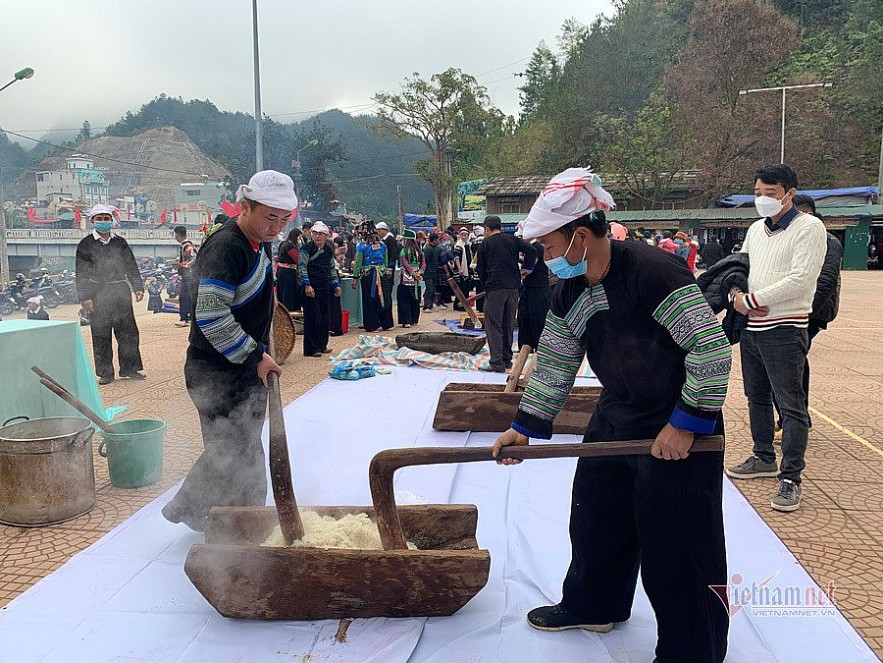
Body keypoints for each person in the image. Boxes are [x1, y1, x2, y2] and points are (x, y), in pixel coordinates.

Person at [492, 167, 731, 663]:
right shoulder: (570, 289)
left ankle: (694, 649)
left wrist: (685, 424)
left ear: (580, 235)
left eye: (550, 247)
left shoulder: (654, 273)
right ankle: (594, 602)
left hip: (675, 416)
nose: (546, 258)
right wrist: (524, 428)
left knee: (678, 542)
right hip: (617, 413)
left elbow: (710, 352)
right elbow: (556, 363)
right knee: (596, 515)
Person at [162, 170, 291, 532]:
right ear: (246, 207)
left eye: (283, 220)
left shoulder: (258, 243)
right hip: (216, 370)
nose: (276, 228)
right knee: (232, 449)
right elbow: (212, 315)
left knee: (245, 445)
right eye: (269, 217)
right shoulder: (228, 246)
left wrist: (261, 353)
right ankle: (194, 510)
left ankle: (241, 520)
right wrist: (255, 356)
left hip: (242, 366)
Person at [726, 164, 827, 512]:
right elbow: (741, 266)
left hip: (785, 329)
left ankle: (791, 477)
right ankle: (763, 456)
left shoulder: (810, 228)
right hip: (752, 330)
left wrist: (752, 301)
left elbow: (801, 278)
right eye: (758, 193)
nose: (763, 199)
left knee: (790, 404)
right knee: (756, 396)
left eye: (770, 193)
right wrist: (735, 295)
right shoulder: (756, 229)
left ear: (790, 193)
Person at [772, 194, 843, 439]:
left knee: (786, 364)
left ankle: (792, 421)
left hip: (808, 313)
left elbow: (824, 283)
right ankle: (793, 419)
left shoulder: (827, 241)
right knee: (791, 363)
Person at [75, 204, 145, 385]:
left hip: (120, 290)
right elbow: (81, 272)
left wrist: (137, 286)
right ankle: (105, 372)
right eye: (99, 219)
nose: (104, 222)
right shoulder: (85, 244)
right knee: (100, 333)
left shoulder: (120, 242)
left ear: (112, 220)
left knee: (128, 332)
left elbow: (131, 265)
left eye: (107, 218)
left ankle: (130, 369)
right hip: (98, 293)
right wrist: (85, 297)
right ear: (92, 221)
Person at [476, 215, 536, 372]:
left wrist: (486, 286)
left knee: (494, 325)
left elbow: (480, 270)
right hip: (514, 287)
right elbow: (532, 250)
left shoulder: (485, 244)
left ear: (487, 229)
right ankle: (507, 360)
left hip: (495, 288)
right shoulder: (512, 240)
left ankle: (496, 363)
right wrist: (527, 268)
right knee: (508, 324)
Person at [298, 221, 341, 357]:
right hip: (311, 286)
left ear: (326, 235)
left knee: (324, 316)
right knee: (312, 317)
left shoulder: (328, 249)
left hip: (324, 286)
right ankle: (313, 348)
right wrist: (307, 284)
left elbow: (331, 268)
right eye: (315, 233)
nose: (317, 236)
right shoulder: (306, 248)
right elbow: (302, 267)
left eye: (320, 234)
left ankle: (322, 344)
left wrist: (336, 284)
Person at [516, 226, 551, 351]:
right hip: (529, 286)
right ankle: (526, 346)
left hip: (538, 287)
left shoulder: (536, 247)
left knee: (537, 318)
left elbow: (528, 268)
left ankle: (539, 347)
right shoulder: (530, 249)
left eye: (521, 237)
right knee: (524, 317)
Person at [352, 226, 391, 332]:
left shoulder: (362, 246)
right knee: (383, 297)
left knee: (369, 300)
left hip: (368, 275)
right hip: (381, 273)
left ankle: (372, 325)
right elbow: (385, 261)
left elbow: (358, 263)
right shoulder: (383, 245)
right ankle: (386, 323)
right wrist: (385, 270)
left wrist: (355, 277)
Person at [397, 229, 425, 328]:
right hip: (417, 279)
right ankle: (414, 320)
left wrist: (412, 273)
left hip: (406, 278)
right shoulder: (419, 251)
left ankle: (406, 321)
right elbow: (423, 264)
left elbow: (405, 263)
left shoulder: (403, 251)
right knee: (415, 299)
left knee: (405, 300)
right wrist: (419, 273)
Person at [375, 221, 399, 329]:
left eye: (379, 231)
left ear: (385, 230)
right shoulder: (382, 241)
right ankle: (382, 320)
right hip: (382, 271)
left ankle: (387, 322)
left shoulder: (390, 240)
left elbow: (393, 255)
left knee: (386, 296)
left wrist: (390, 268)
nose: (378, 233)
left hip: (388, 272)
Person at [172, 225, 197, 327]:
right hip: (190, 276)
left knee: (184, 297)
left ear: (177, 235)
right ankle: (190, 317)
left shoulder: (186, 246)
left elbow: (195, 258)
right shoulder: (186, 245)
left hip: (188, 276)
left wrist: (184, 265)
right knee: (189, 297)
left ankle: (184, 319)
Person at [276, 228, 302, 312]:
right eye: (299, 238)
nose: (299, 240)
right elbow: (298, 260)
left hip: (281, 272)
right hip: (288, 273)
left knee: (282, 294)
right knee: (289, 294)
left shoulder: (283, 244)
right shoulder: (290, 246)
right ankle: (289, 313)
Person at [422, 232, 440, 310]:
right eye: (438, 240)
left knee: (433, 290)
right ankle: (426, 305)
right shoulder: (428, 249)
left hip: (433, 272)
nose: (439, 241)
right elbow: (425, 261)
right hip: (428, 272)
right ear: (435, 240)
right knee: (429, 289)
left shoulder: (433, 248)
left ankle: (430, 305)